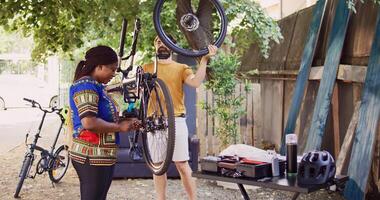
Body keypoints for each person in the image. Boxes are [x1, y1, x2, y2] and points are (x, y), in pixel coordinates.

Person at [143, 36, 218, 200]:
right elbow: (136, 93)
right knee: (158, 166)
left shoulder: (181, 68)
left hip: (176, 120)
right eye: (157, 42)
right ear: (154, 46)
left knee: (182, 165)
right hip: (154, 122)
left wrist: (204, 60)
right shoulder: (146, 68)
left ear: (172, 45)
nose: (161, 44)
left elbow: (196, 82)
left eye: (164, 41)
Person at [68, 45, 141, 200]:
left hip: (101, 155)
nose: (114, 74)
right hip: (90, 155)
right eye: (112, 69)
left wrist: (126, 121)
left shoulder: (98, 87)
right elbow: (89, 122)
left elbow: (102, 117)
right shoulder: (85, 85)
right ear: (99, 66)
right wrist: (120, 127)